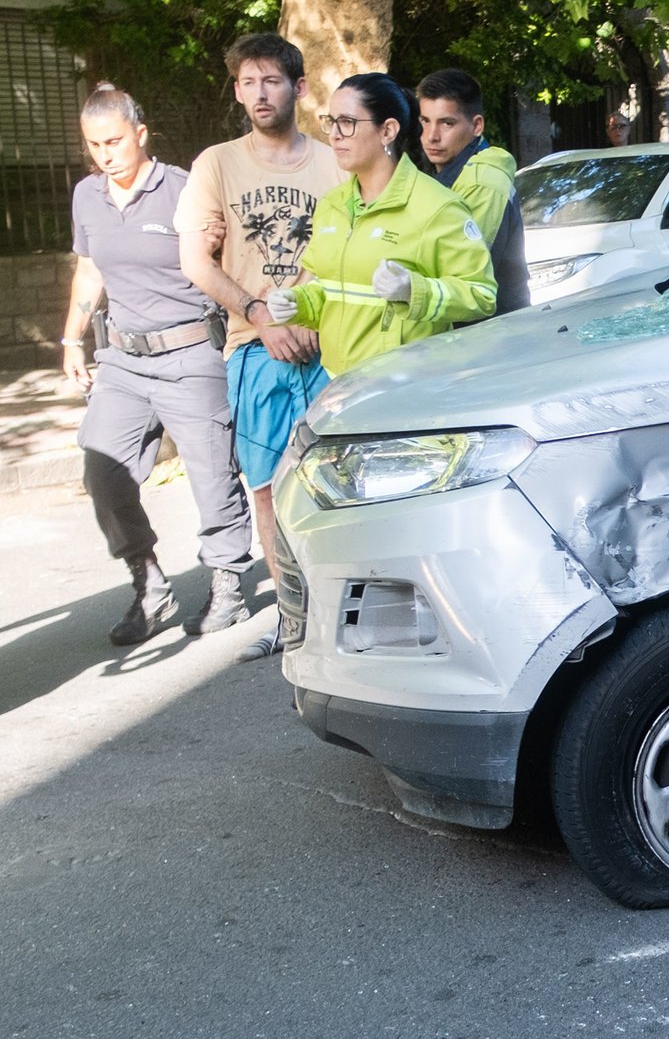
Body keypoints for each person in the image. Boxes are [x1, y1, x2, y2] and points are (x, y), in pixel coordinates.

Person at [62, 85, 254, 647]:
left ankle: (228, 585)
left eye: (115, 141)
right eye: (95, 145)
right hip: (121, 358)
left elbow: (228, 260)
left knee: (213, 475)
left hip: (191, 351)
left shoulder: (184, 190)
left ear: (140, 134)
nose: (105, 154)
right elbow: (90, 270)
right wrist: (72, 340)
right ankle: (148, 585)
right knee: (102, 472)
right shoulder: (87, 196)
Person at [176, 33, 342, 662]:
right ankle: (295, 620)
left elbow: (346, 249)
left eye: (271, 80)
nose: (258, 93)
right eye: (247, 82)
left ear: (299, 87)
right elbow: (195, 260)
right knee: (268, 485)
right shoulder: (215, 164)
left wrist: (300, 311)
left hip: (329, 345)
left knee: (338, 480)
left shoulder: (333, 161)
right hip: (253, 346)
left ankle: (343, 613)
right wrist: (258, 314)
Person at [265, 74, 496, 375]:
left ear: (387, 130)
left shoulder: (437, 207)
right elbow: (334, 290)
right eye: (331, 122)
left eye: (347, 122)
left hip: (403, 388)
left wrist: (415, 290)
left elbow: (481, 294)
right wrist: (298, 302)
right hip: (338, 385)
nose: (334, 134)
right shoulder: (332, 206)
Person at [416, 68, 530, 316]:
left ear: (477, 125)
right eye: (425, 121)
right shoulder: (449, 172)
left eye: (447, 123)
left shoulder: (483, 180)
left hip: (492, 332)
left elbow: (460, 271)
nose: (432, 136)